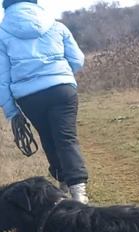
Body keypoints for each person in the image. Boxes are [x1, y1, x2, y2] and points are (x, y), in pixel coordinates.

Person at [0, 0, 89, 204]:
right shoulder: (56, 25)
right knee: (66, 138)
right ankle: (79, 193)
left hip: (30, 96)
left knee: (48, 138)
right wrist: (60, 75)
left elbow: (2, 78)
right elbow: (77, 59)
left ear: (6, 7)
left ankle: (64, 186)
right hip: (62, 90)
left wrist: (12, 111)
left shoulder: (2, 34)